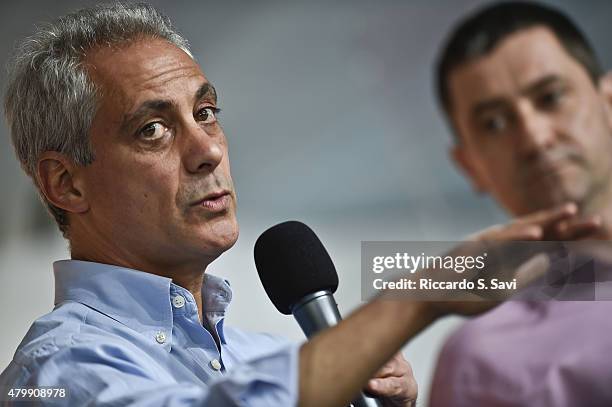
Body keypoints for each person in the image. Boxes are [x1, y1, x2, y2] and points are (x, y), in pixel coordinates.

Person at [429, 2, 612, 406]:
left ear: (609, 101)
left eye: (551, 97)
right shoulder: (477, 364)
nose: (533, 137)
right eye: (494, 123)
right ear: (469, 166)